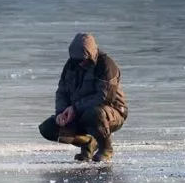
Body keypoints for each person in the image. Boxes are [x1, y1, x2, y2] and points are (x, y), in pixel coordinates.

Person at [39, 33, 127, 163]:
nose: (80, 63)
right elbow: (62, 91)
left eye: (83, 59)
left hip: (111, 113)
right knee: (48, 128)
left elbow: (104, 97)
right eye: (77, 60)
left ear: (91, 54)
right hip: (78, 113)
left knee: (95, 113)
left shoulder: (106, 65)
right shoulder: (71, 65)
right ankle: (88, 143)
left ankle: (106, 149)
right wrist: (61, 112)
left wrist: (75, 108)